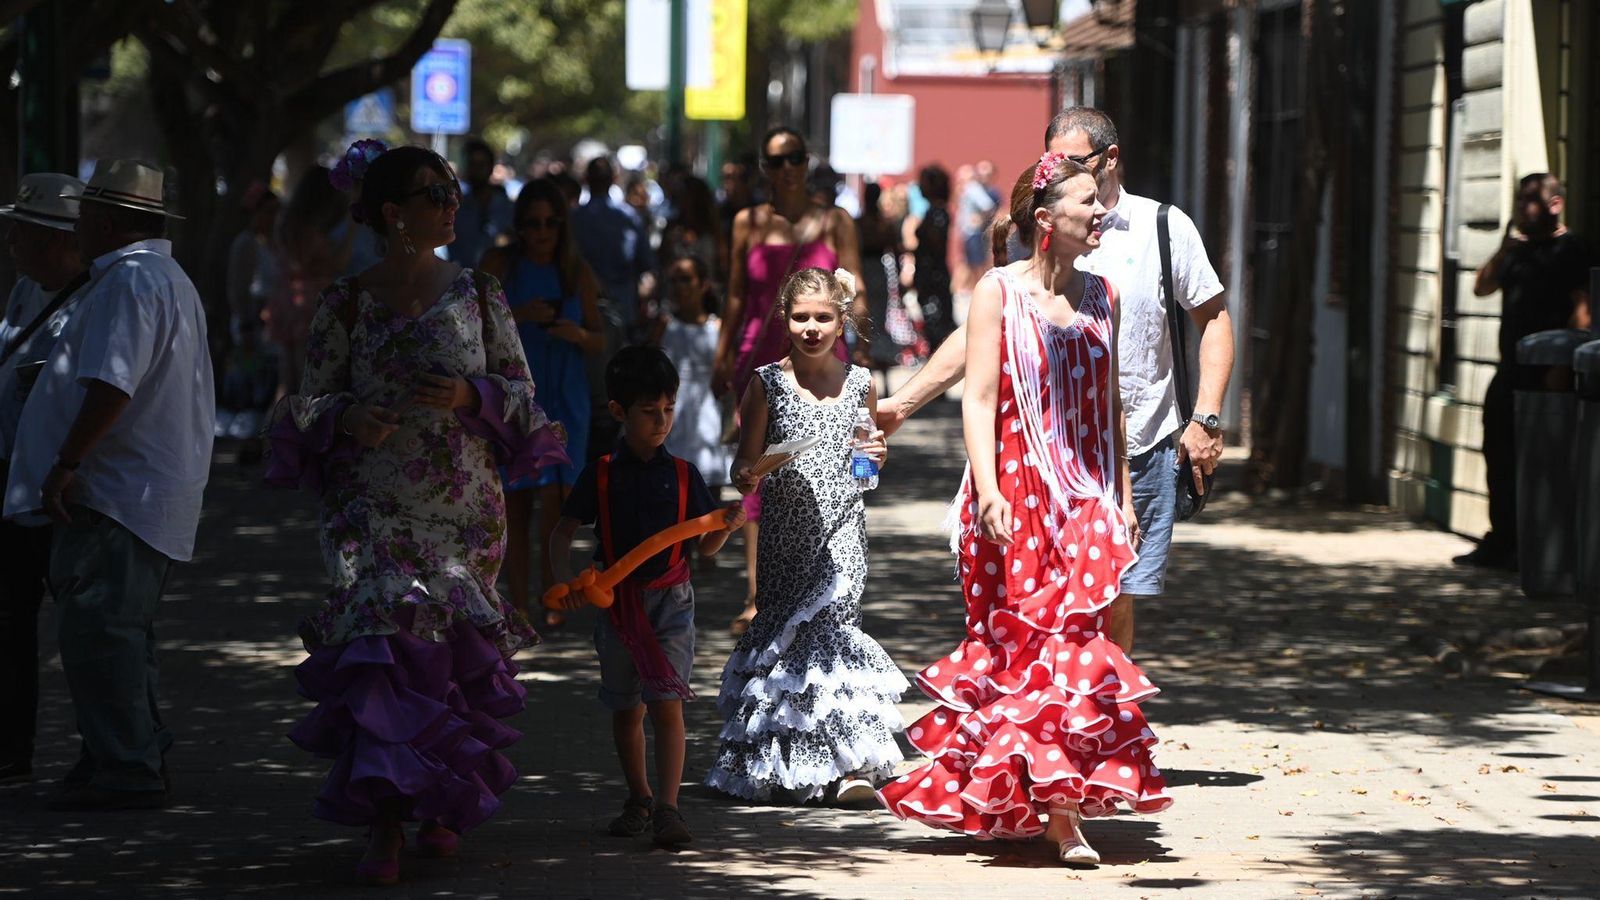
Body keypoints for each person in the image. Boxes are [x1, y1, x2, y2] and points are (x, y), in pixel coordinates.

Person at [265, 142, 566, 885]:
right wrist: (348, 415)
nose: (453, 203)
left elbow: (524, 396)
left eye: (455, 190)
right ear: (393, 212)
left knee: (446, 656)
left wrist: (471, 397)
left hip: (461, 504)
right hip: (368, 504)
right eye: (436, 193)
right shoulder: (346, 300)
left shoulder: (479, 293)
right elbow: (304, 402)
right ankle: (385, 822)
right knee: (383, 651)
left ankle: (442, 805)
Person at [878, 154, 1172, 864]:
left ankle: (1065, 810)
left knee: (1076, 649)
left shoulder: (1107, 294)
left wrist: (1125, 499)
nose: (1100, 212)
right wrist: (986, 491)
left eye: (1099, 202)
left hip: (1088, 499)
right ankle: (1023, 790)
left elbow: (1110, 407)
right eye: (1085, 202)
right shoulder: (998, 294)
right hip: (1017, 493)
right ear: (1046, 221)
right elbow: (977, 397)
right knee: (1022, 654)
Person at [878, 107, 1235, 653]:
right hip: (1040, 458)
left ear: (1109, 159)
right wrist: (904, 402)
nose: (1055, 169)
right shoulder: (1038, 232)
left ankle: (1098, 720)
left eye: (1070, 160)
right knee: (1046, 605)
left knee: (1114, 598)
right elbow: (983, 335)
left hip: (1134, 447)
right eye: (1050, 160)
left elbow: (1213, 320)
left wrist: (1206, 417)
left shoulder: (1163, 227)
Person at [4, 159, 214, 810]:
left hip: (119, 492)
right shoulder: (154, 278)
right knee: (115, 632)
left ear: (108, 222)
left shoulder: (132, 281)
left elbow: (112, 385)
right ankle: (122, 753)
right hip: (132, 492)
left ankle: (126, 767)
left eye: (88, 216)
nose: (79, 227)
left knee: (102, 633)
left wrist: (67, 463)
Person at [706, 267, 905, 804]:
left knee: (834, 637)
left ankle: (848, 767)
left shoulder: (860, 383)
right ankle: (782, 761)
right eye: (800, 317)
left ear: (842, 321)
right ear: (783, 321)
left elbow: (867, 467)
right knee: (789, 646)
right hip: (784, 541)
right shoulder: (766, 383)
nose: (812, 327)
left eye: (823, 317)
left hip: (843, 535)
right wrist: (747, 474)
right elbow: (744, 461)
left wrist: (876, 457)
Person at [548, 346, 747, 848]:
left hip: (672, 602)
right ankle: (638, 796)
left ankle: (668, 807)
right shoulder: (600, 475)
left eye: (668, 410)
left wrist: (728, 525)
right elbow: (561, 532)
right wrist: (564, 580)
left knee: (667, 704)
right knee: (626, 708)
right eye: (648, 412)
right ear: (618, 411)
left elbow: (704, 547)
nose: (661, 422)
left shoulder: (683, 475)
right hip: (615, 607)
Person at [712, 126, 869, 636]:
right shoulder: (747, 223)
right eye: (776, 160)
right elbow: (736, 294)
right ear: (765, 167)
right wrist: (722, 355)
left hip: (824, 353)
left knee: (825, 469)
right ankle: (759, 593)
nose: (786, 169)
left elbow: (857, 289)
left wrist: (859, 344)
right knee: (759, 469)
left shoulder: (834, 220)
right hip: (760, 352)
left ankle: (825, 581)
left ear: (806, 163)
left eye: (795, 158)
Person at [480, 178, 605, 629]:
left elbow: (600, 338)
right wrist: (519, 315)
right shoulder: (499, 266)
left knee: (558, 502)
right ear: (519, 226)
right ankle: (517, 605)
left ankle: (552, 593)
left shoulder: (576, 270)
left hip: (565, 396)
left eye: (551, 223)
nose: (542, 231)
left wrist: (577, 335)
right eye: (532, 223)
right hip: (513, 399)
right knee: (515, 504)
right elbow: (466, 325)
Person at [0, 173, 89, 785]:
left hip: (66, 489)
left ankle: (117, 753)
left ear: (58, 241)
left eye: (22, 234)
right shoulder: (25, 292)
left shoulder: (97, 300)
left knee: (90, 626)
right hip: (14, 479)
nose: (11, 243)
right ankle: (11, 749)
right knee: (9, 620)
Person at [1458, 174, 1593, 570]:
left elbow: (1583, 310)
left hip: (1549, 376)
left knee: (1547, 463)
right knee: (1499, 457)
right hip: (1510, 371)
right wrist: (1502, 251)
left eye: (1532, 201)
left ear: (1556, 205)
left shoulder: (1573, 251)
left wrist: (1562, 365)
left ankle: (1545, 548)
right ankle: (1502, 542)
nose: (1523, 209)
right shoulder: (1516, 252)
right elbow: (1481, 288)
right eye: (1519, 201)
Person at [652, 255, 733, 514]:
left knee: (708, 506)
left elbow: (729, 378)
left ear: (703, 284)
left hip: (707, 421)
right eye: (673, 280)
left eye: (686, 279)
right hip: (668, 420)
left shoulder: (718, 328)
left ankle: (707, 555)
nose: (679, 286)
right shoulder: (664, 326)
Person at [274, 165, 354, 401]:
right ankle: (296, 434)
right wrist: (352, 225)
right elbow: (337, 263)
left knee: (288, 381)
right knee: (307, 383)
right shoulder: (308, 231)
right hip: (311, 306)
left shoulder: (288, 223)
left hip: (288, 301)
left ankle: (275, 435)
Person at [221, 182, 282, 438]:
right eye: (268, 211)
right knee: (253, 379)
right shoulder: (246, 244)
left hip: (275, 320)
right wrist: (246, 325)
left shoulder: (276, 245)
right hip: (253, 322)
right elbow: (238, 289)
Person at [572, 157, 656, 335]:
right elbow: (646, 262)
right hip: (621, 309)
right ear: (613, 179)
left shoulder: (575, 218)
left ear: (586, 179)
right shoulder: (629, 217)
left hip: (584, 311)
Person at [858, 182, 906, 377]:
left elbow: (895, 250)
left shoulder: (866, 223)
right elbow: (896, 250)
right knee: (868, 315)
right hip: (870, 270)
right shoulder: (879, 223)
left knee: (874, 315)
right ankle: (869, 355)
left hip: (872, 270)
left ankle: (875, 355)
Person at [449, 137, 515, 267]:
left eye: (481, 165)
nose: (476, 171)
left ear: (490, 167)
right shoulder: (456, 208)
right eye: (471, 164)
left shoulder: (507, 208)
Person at [913, 164, 954, 349]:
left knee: (936, 322)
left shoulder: (938, 213)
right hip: (929, 275)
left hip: (934, 277)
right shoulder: (932, 211)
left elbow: (936, 243)